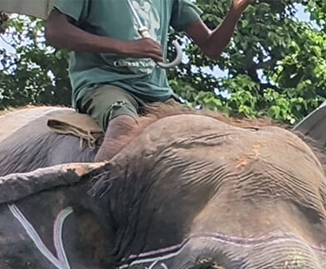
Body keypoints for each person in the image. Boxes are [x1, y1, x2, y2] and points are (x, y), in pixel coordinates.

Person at [45, 1, 254, 162]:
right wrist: (125, 47)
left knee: (206, 133)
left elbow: (211, 46)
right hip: (104, 83)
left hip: (156, 92)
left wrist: (235, 11)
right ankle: (90, 203)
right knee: (123, 124)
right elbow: (55, 31)